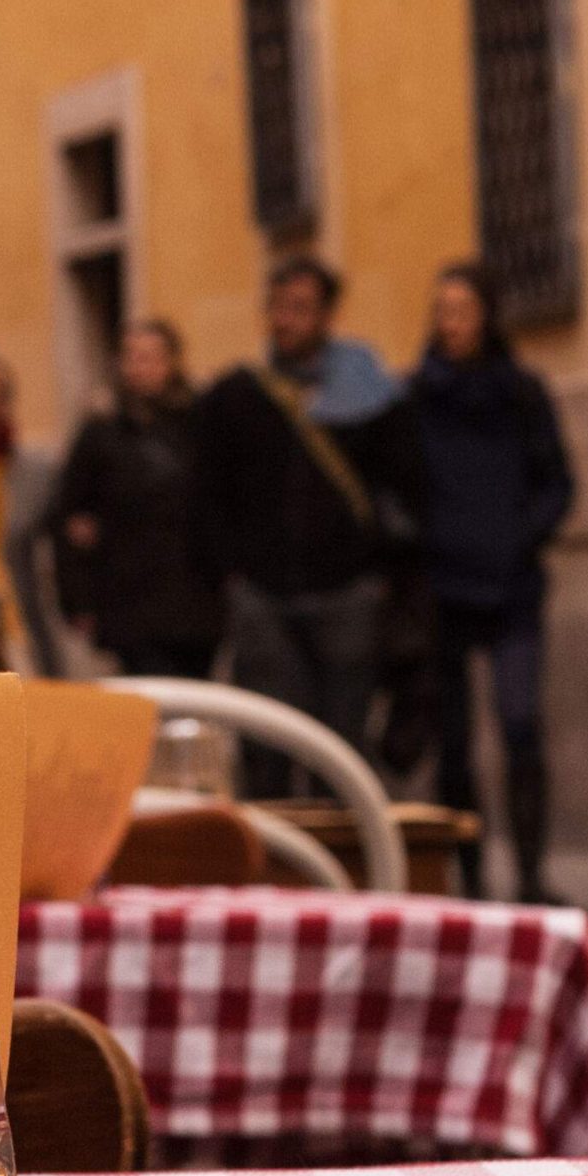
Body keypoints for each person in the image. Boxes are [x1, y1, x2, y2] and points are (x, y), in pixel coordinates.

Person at [191, 256, 410, 793]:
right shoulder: (237, 398)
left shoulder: (371, 397)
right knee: (268, 748)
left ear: (327, 315)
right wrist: (232, 576)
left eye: (300, 308)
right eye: (278, 307)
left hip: (347, 594)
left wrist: (379, 574)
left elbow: (400, 488)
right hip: (264, 597)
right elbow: (207, 493)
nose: (285, 320)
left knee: (340, 751)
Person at [406, 261, 576, 903]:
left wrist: (519, 535)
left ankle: (530, 872)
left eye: (462, 310)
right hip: (442, 593)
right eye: (442, 311)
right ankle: (469, 876)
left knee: (522, 722)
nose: (451, 324)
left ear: (486, 317)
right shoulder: (417, 397)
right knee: (453, 747)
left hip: (510, 589)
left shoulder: (522, 394)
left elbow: (558, 483)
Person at [40, 320, 221, 677]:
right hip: (130, 603)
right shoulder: (101, 431)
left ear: (172, 363)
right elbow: (69, 516)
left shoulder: (200, 424)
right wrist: (77, 600)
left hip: (196, 603)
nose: (140, 368)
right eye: (132, 358)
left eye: (150, 358)